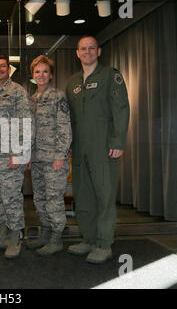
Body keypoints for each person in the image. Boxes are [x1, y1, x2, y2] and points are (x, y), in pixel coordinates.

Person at [65, 35, 130, 264]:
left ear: (99, 51)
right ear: (77, 53)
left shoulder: (110, 76)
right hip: (80, 147)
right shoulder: (72, 81)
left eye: (92, 48)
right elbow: (70, 118)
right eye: (83, 48)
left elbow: (121, 109)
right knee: (83, 196)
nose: (88, 52)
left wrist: (117, 141)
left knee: (104, 195)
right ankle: (89, 239)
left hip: (103, 147)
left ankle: (104, 244)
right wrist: (69, 144)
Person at [0, 54, 33, 259]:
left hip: (10, 156)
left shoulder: (17, 91)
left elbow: (25, 122)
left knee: (11, 198)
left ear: (8, 70)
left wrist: (19, 153)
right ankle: (2, 234)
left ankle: (15, 236)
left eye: (3, 66)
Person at [25, 55, 72, 256]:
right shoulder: (32, 99)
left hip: (54, 159)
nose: (41, 75)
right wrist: (27, 156)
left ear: (51, 75)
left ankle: (56, 239)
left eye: (45, 71)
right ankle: (45, 233)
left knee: (54, 200)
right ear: (33, 76)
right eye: (37, 72)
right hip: (37, 160)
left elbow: (65, 128)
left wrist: (60, 156)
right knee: (40, 199)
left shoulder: (58, 96)